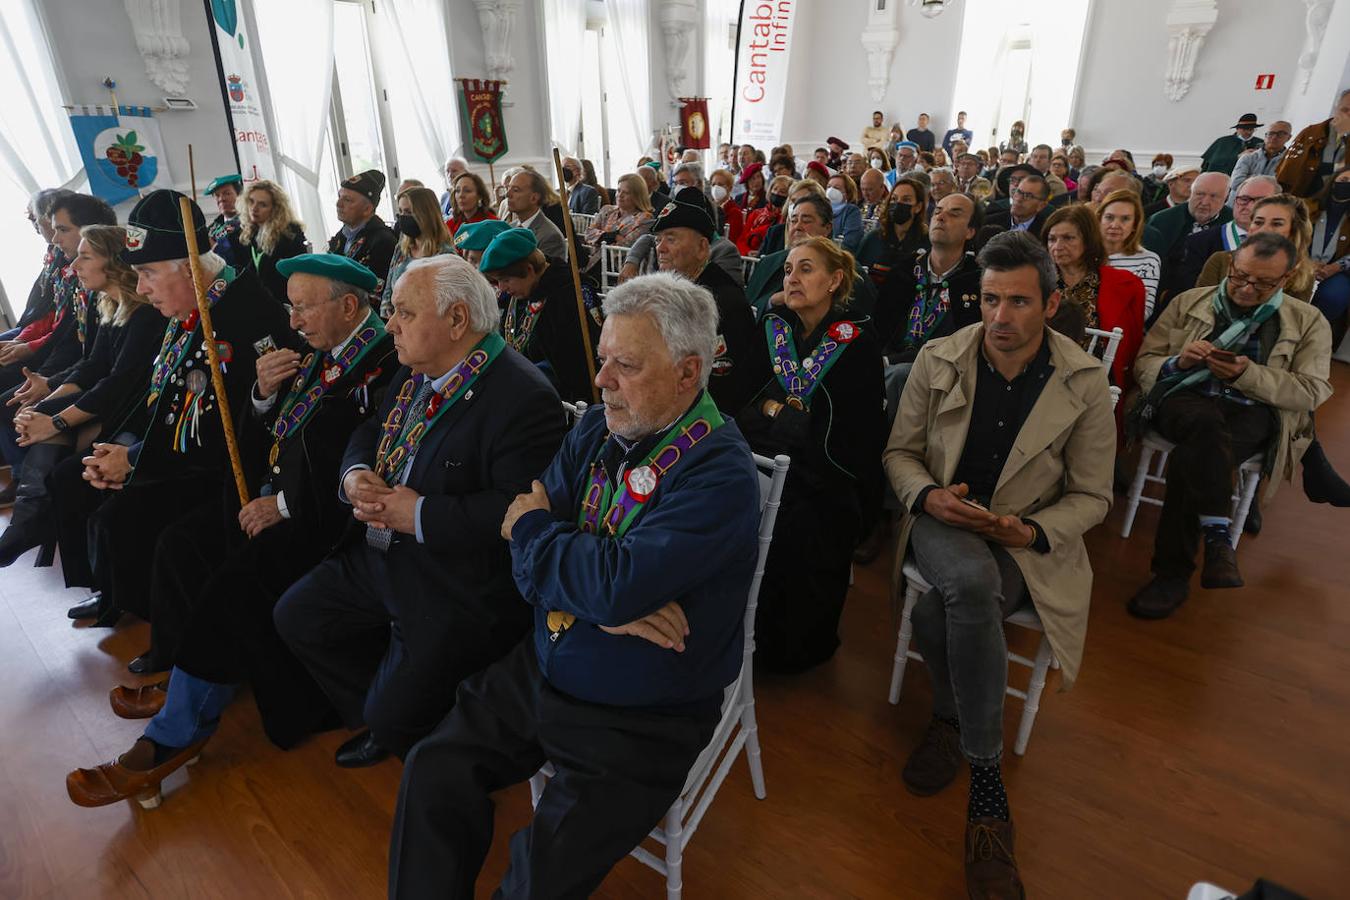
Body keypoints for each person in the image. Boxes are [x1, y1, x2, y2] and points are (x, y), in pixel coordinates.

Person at [388, 272, 759, 899]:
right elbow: (522, 534)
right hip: (547, 660)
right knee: (433, 768)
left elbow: (538, 534)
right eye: (604, 358)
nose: (601, 380)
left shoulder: (720, 476)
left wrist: (590, 582)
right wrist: (599, 598)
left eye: (626, 365)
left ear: (689, 373)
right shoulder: (598, 428)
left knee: (534, 884)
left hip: (641, 713)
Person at [64, 254, 400, 808]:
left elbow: (374, 459)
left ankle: (175, 736)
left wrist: (285, 505)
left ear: (348, 305)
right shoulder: (321, 351)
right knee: (191, 544)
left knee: (233, 585)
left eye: (303, 307)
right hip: (282, 497)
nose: (291, 321)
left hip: (337, 521)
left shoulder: (384, 362)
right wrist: (262, 396)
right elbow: (279, 433)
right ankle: (196, 677)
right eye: (289, 306)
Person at [884, 230, 1115, 900]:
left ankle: (951, 721)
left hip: (1019, 533)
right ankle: (988, 793)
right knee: (969, 580)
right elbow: (900, 453)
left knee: (946, 602)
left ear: (1052, 302)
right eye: (989, 300)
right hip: (944, 518)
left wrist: (1032, 528)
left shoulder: (1083, 378)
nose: (1000, 318)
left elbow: (1094, 495)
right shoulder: (940, 357)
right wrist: (928, 495)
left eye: (1018, 302)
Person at [274, 253, 565, 772]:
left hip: (455, 578)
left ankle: (419, 734)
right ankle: (391, 706)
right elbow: (370, 429)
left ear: (456, 320)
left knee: (394, 721)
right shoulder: (419, 370)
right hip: (384, 550)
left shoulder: (522, 397)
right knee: (296, 614)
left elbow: (518, 512)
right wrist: (355, 473)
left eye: (404, 313)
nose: (389, 324)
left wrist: (422, 514)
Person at [52, 190, 294, 632]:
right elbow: (165, 401)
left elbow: (231, 433)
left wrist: (137, 459)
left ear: (189, 269)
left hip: (225, 470)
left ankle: (174, 641)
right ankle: (126, 602)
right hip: (183, 456)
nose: (141, 288)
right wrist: (125, 451)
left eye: (147, 273)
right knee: (91, 487)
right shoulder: (189, 307)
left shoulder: (243, 314)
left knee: (132, 519)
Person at [1126, 233, 1331, 618]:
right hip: (1182, 398)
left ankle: (1173, 573)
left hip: (1253, 408)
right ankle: (1217, 539)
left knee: (1197, 456)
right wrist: (1179, 363)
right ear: (1231, 263)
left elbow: (1312, 391)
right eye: (1240, 276)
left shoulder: (1307, 321)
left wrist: (1247, 375)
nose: (1247, 288)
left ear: (1286, 280)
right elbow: (1145, 361)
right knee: (1203, 425)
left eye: (1264, 283)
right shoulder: (1190, 302)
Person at [738, 236, 884, 672]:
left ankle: (786, 652)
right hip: (768, 458)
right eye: (788, 270)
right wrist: (774, 410)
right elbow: (745, 397)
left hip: (827, 471)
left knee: (799, 523)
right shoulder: (776, 327)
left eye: (806, 269)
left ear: (835, 280)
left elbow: (855, 426)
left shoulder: (855, 337)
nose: (792, 278)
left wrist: (779, 417)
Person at [0, 225, 163, 567]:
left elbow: (119, 383)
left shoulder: (145, 313)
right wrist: (44, 407)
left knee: (65, 469)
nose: (75, 265)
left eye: (86, 257)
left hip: (136, 414)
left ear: (114, 262)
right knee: (38, 418)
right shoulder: (110, 304)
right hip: (111, 403)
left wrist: (55, 420)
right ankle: (29, 520)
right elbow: (91, 367)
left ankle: (29, 522)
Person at [0, 193, 117, 480]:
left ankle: (27, 483)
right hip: (73, 371)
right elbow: (69, 337)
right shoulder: (85, 283)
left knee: (17, 408)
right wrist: (49, 381)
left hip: (100, 391)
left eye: (62, 229)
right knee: (22, 408)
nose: (53, 238)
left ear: (91, 231)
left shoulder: (121, 298)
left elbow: (110, 371)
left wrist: (51, 385)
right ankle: (27, 484)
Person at [652, 189, 761, 416]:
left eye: (671, 239)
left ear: (702, 248)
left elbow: (726, 382)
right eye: (658, 239)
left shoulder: (723, 300)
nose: (660, 248)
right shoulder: (669, 289)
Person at [874, 193, 984, 417]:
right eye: (938, 211)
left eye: (954, 213)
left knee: (899, 376)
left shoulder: (977, 281)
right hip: (889, 365)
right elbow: (878, 328)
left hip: (947, 374)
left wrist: (891, 362)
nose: (941, 217)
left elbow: (968, 346)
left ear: (970, 231)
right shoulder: (905, 271)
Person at [480, 227, 600, 402]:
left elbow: (575, 369)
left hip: (555, 398)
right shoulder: (518, 292)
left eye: (505, 280)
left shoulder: (571, 296)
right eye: (497, 281)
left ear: (529, 270)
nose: (502, 288)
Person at [1042, 205, 1145, 391]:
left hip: (1099, 385)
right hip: (1041, 380)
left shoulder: (1128, 285)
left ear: (1088, 241)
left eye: (1068, 238)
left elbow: (1133, 346)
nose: (1057, 247)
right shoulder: (1035, 283)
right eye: (1052, 239)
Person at [747, 196, 878, 320]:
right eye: (793, 221)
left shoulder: (848, 270)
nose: (797, 227)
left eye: (806, 221)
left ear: (827, 228)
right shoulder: (769, 262)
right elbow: (747, 309)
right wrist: (772, 301)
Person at [1170, 176, 1281, 300]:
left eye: (1260, 200)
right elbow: (1187, 295)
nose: (1249, 206)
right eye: (1243, 199)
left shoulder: (1285, 245)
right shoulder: (1199, 242)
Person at [1144, 171, 1232, 317]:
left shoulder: (1232, 224)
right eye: (1199, 194)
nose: (1204, 202)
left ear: (1226, 198)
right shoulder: (1162, 221)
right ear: (1191, 192)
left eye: (1214, 196)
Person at [381, 187, 456, 316]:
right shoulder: (402, 248)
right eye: (401, 212)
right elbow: (388, 290)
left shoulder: (445, 255)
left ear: (426, 214)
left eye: (408, 212)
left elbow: (447, 302)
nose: (403, 217)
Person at [328, 169, 398, 301]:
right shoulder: (341, 236)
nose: (339, 204)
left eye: (347, 200)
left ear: (367, 209)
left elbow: (377, 295)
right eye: (339, 197)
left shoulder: (383, 242)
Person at [237, 179, 308, 304]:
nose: (254, 208)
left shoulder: (289, 234)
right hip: (266, 303)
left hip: (286, 303)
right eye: (251, 201)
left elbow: (287, 280)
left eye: (262, 204)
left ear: (275, 209)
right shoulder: (253, 232)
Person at [1099, 189, 1163, 318]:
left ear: (1135, 224)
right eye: (1109, 217)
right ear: (1099, 219)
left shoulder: (1148, 260)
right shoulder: (1082, 253)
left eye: (1125, 219)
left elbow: (1142, 312)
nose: (1115, 225)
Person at [1277, 88, 1350, 200]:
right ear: (1336, 109)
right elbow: (1286, 171)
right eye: (1345, 110)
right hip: (1301, 201)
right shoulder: (1311, 133)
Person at [1309, 166, 1350, 344]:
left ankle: (1313, 338)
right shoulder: (1308, 206)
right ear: (1333, 181)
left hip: (1337, 269)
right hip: (1299, 263)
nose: (1347, 185)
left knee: (1334, 296)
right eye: (1344, 180)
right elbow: (1291, 237)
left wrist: (1336, 267)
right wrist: (1305, 262)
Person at [581, 171, 654, 273]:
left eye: (626, 192)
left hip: (619, 269)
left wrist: (599, 238)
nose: (620, 195)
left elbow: (626, 246)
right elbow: (588, 233)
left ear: (637, 195)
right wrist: (613, 236)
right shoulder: (607, 210)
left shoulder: (646, 219)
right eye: (618, 190)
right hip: (595, 264)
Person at [859, 176, 931, 276]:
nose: (898, 204)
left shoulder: (927, 242)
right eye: (894, 199)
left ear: (918, 207)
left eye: (906, 200)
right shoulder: (873, 239)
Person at [504, 170, 568, 260]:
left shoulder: (549, 236)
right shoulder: (510, 227)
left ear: (534, 198)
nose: (507, 194)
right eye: (508, 188)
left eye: (515, 190)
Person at [1228, 121, 1292, 204]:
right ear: (1265, 135)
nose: (1274, 137)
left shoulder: (1289, 164)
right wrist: (1270, 183)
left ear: (1289, 137)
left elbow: (1283, 191)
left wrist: (1250, 178)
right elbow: (1236, 183)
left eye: (1280, 134)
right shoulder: (1248, 158)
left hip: (1266, 210)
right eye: (1271, 133)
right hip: (1236, 206)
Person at [988, 173, 1053, 237]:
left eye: (1027, 196)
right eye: (1018, 192)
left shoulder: (1047, 231)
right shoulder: (991, 222)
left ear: (1041, 206)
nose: (1019, 199)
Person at [444, 171, 498, 239]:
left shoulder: (492, 224)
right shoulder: (450, 225)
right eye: (457, 191)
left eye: (467, 191)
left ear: (479, 196)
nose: (461, 195)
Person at [204, 174, 244, 265]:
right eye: (217, 195)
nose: (221, 199)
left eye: (227, 193)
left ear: (239, 196)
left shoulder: (248, 221)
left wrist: (213, 245)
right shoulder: (211, 228)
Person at [827, 173, 864, 253]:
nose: (831, 190)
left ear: (847, 193)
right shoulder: (820, 209)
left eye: (837, 188)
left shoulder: (851, 211)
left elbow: (850, 242)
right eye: (829, 187)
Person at [707, 167, 745, 245]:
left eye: (720, 184)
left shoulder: (735, 212)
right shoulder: (708, 208)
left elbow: (731, 241)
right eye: (713, 184)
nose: (716, 188)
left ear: (730, 188)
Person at [860, 167, 888, 234]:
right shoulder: (859, 203)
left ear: (882, 187)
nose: (865, 194)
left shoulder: (889, 208)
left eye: (870, 190)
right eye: (863, 189)